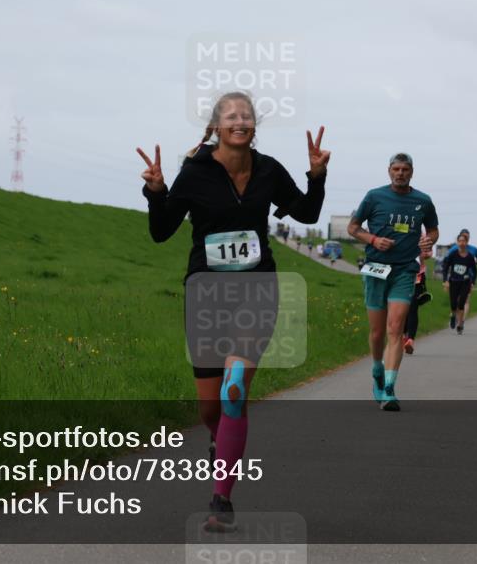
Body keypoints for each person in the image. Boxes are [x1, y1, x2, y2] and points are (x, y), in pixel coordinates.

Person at [137, 91, 329, 529]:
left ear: (253, 126)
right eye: (231, 115)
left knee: (234, 391)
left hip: (258, 289)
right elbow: (161, 231)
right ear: (217, 126)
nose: (240, 121)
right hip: (206, 292)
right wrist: (156, 192)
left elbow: (305, 211)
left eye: (246, 115)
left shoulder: (269, 170)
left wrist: (316, 177)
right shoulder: (195, 172)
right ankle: (219, 439)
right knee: (211, 410)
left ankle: (221, 499)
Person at [347, 153, 439, 411]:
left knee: (395, 329)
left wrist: (428, 240)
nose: (400, 173)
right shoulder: (375, 196)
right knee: (377, 333)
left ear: (412, 172)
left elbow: (432, 229)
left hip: (405, 270)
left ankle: (389, 389)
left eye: (405, 169)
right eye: (396, 169)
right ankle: (377, 368)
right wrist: (373, 240)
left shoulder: (423, 201)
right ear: (389, 171)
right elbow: (353, 227)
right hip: (376, 268)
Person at [442, 233, 477, 335]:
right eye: (460, 241)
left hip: (465, 282)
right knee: (453, 304)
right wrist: (445, 281)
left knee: (461, 303)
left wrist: (473, 283)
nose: (462, 243)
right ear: (457, 242)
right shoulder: (453, 255)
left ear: (467, 243)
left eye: (464, 241)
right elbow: (446, 267)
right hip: (453, 282)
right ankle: (453, 316)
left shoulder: (470, 257)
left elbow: (475, 271)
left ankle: (460, 324)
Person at [447, 228, 477, 329]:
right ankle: (453, 315)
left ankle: (461, 320)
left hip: (468, 277)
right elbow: (447, 260)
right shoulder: (454, 248)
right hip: (455, 277)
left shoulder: (474, 249)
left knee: (465, 300)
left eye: (467, 237)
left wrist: (473, 263)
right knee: (455, 301)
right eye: (463, 236)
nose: (465, 239)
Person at [402, 249, 433, 355]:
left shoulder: (421, 236)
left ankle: (410, 340)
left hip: (417, 277)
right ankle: (403, 335)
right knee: (403, 308)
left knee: (412, 307)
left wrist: (425, 254)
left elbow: (428, 253)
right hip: (400, 275)